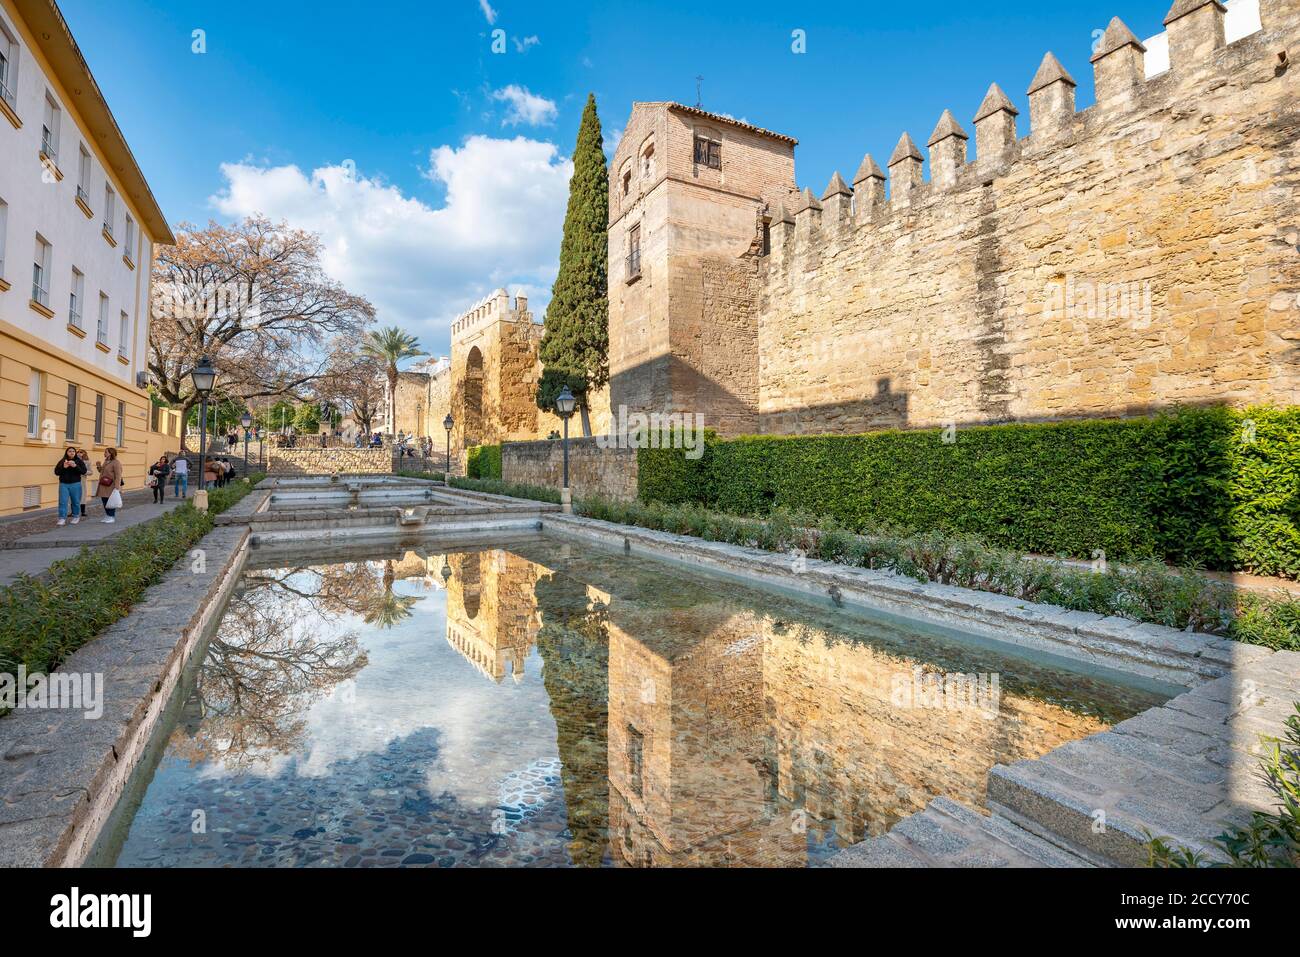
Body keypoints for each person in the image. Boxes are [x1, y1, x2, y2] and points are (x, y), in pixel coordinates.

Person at [53, 447, 87, 526]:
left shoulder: (79, 461)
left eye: (73, 451)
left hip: (75, 484)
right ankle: (62, 518)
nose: (71, 452)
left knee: (75, 501)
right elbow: (56, 472)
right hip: (63, 484)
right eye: (69, 451)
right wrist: (64, 467)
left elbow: (84, 471)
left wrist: (75, 466)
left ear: (75, 453)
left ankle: (76, 516)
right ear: (66, 452)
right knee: (63, 502)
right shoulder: (62, 461)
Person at [95, 447, 123, 523]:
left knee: (110, 501)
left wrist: (117, 487)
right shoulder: (106, 461)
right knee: (104, 500)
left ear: (111, 453)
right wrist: (98, 466)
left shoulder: (116, 462)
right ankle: (107, 515)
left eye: (106, 452)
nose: (104, 453)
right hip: (104, 484)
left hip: (111, 485)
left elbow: (118, 475)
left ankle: (111, 516)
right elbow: (102, 471)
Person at [77, 448, 92, 517]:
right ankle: (73, 512)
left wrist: (84, 472)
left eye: (81, 452)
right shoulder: (74, 461)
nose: (79, 453)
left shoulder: (87, 462)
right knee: (73, 496)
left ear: (84, 454)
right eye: (78, 452)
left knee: (82, 496)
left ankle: (83, 511)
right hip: (73, 480)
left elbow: (91, 472)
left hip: (82, 481)